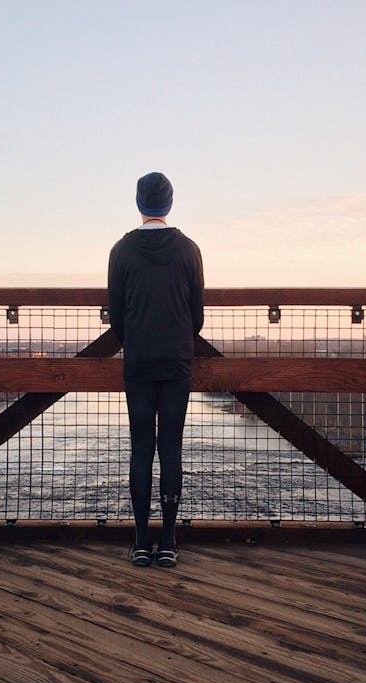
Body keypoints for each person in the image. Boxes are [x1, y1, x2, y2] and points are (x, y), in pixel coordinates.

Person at [107, 172, 204, 568]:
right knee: (171, 450)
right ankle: (168, 541)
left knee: (141, 449)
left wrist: (134, 340)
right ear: (169, 203)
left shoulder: (121, 251)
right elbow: (196, 315)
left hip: (139, 361)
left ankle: (140, 542)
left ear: (138, 203)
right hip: (177, 362)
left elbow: (116, 317)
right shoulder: (189, 250)